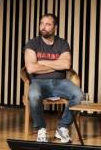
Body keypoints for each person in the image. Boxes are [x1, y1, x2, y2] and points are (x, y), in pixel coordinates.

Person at [24, 13, 83, 143]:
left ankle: (63, 127)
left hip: (60, 82)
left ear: (55, 27)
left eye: (48, 24)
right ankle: (41, 129)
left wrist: (42, 61)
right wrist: (56, 65)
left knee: (79, 95)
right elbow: (31, 69)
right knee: (33, 95)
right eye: (41, 23)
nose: (43, 27)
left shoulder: (62, 43)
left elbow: (66, 64)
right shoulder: (32, 43)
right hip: (38, 82)